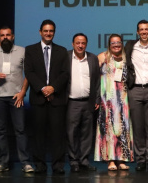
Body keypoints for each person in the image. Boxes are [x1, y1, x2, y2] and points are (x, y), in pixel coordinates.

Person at [24, 20, 70, 175]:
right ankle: (40, 165)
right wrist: (43, 88)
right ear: (40, 32)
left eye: (51, 31)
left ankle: (58, 165)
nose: (48, 33)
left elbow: (65, 73)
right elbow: (29, 72)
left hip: (57, 99)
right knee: (38, 135)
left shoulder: (62, 51)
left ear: (54, 33)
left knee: (58, 135)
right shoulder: (30, 50)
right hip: (38, 98)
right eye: (45, 31)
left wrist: (53, 88)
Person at [0, 26, 31, 173]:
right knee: (0, 130)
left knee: (20, 130)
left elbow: (28, 74)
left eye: (8, 35)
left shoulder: (22, 51)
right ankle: (3, 162)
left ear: (13, 37)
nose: (5, 37)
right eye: (2, 35)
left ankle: (25, 162)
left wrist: (23, 92)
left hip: (16, 97)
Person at [125, 19, 148, 171]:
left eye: (146, 29)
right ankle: (140, 159)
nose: (144, 32)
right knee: (137, 126)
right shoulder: (130, 46)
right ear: (137, 32)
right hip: (135, 89)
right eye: (141, 29)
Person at [95, 34, 133, 170]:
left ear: (122, 43)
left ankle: (122, 159)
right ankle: (110, 160)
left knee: (123, 128)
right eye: (113, 43)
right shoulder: (102, 57)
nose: (116, 45)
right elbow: (95, 77)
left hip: (123, 98)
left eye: (118, 42)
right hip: (107, 99)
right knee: (109, 128)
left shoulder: (126, 58)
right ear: (109, 44)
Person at [67, 33, 100, 172]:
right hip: (72, 102)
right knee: (72, 133)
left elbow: (97, 81)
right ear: (73, 44)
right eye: (78, 43)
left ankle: (84, 161)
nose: (80, 46)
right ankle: (74, 161)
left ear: (86, 44)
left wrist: (97, 99)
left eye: (83, 43)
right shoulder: (66, 57)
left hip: (88, 102)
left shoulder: (92, 58)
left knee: (87, 133)